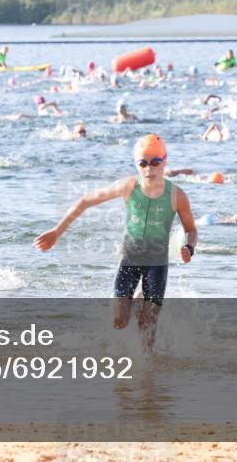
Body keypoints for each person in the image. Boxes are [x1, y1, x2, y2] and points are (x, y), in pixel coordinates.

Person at [33, 134, 197, 352]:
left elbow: (192, 230)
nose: (150, 169)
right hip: (131, 258)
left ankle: (147, 379)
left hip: (157, 264)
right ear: (137, 164)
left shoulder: (177, 196)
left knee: (147, 328)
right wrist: (57, 231)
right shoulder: (128, 187)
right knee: (118, 322)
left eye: (156, 162)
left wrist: (189, 248)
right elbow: (85, 201)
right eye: (143, 163)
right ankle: (139, 301)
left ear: (165, 161)